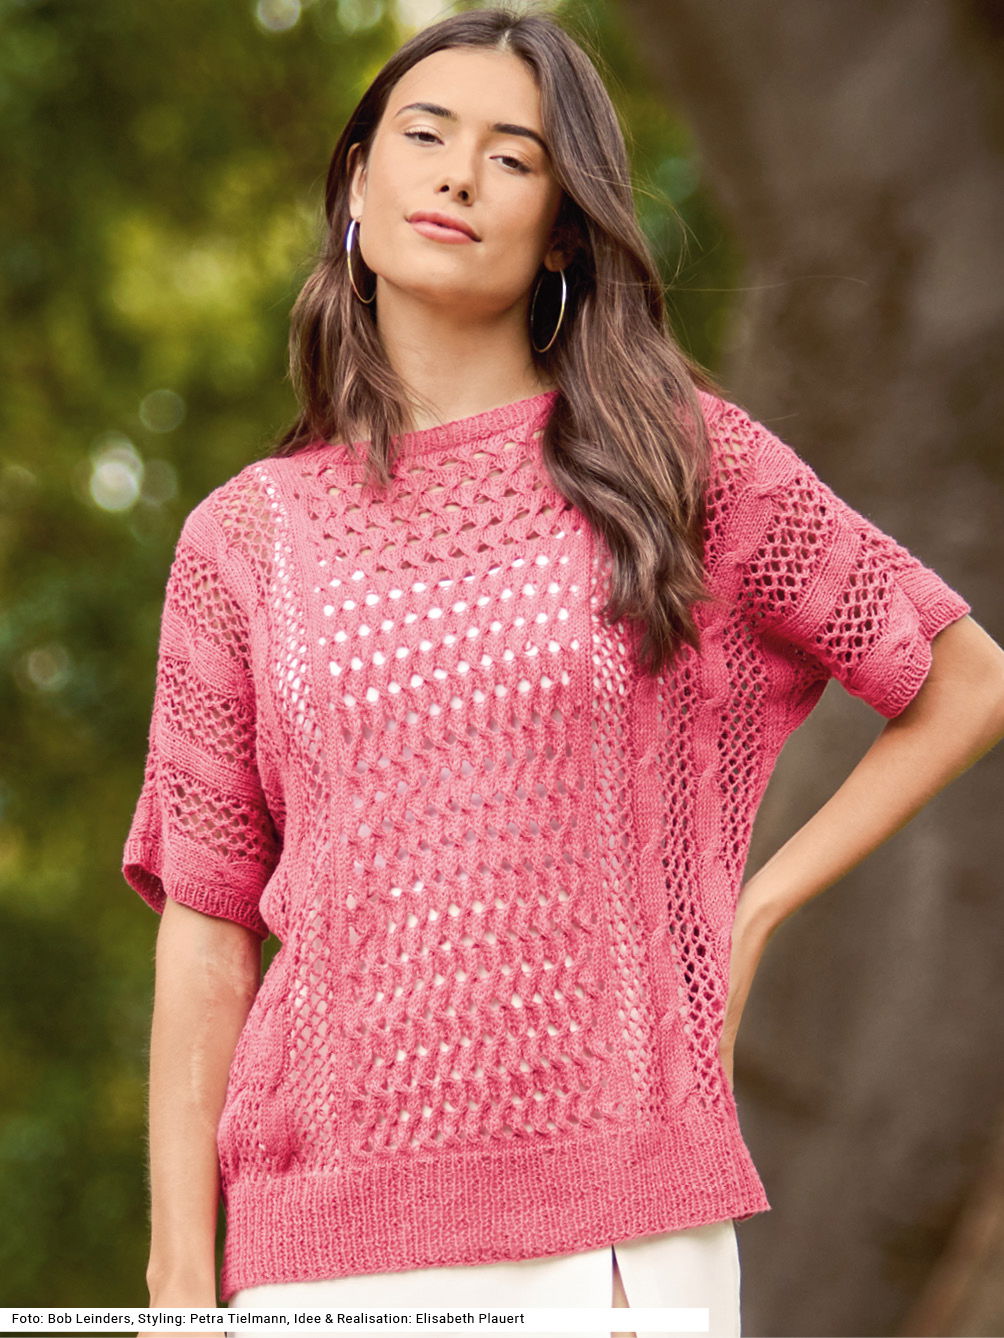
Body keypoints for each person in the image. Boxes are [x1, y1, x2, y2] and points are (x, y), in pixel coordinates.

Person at [120, 8, 1004, 1338]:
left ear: (563, 232)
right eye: (425, 136)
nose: (459, 177)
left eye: (512, 157)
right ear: (357, 182)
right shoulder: (242, 542)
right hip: (318, 1245)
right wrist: (178, 1284)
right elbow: (205, 929)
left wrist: (751, 917)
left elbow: (963, 681)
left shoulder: (678, 465)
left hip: (615, 1241)